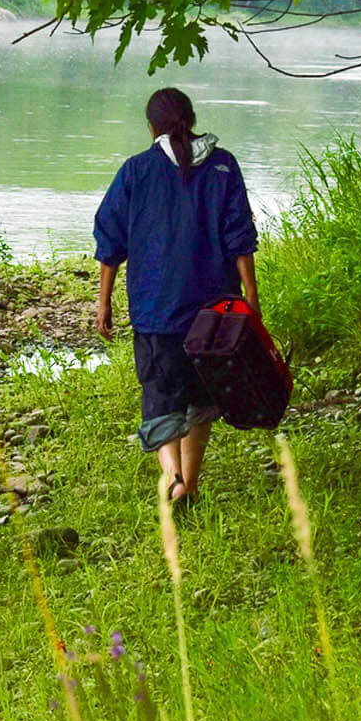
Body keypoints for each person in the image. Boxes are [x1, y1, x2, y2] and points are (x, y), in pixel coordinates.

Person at [92, 86, 259, 504]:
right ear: (191, 120)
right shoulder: (223, 166)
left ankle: (173, 479)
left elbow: (111, 241)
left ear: (152, 128)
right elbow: (240, 238)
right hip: (214, 312)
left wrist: (104, 301)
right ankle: (193, 483)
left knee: (160, 396)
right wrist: (252, 301)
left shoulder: (136, 171)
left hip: (156, 310)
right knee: (202, 397)